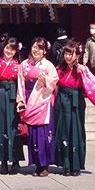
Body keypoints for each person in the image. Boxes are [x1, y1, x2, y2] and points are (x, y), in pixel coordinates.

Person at [17, 37, 58, 177]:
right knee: (33, 133)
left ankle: (45, 165)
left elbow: (54, 82)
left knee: (44, 133)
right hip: (30, 98)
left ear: (45, 51)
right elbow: (20, 83)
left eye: (40, 48)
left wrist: (45, 80)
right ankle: (36, 164)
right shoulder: (24, 65)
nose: (36, 50)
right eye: (34, 47)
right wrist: (21, 101)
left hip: (43, 101)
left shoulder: (49, 66)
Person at [0, 37, 24, 175]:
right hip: (0, 93)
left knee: (15, 126)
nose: (9, 51)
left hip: (14, 94)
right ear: (3, 47)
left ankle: (16, 161)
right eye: (7, 48)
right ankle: (3, 161)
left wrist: (21, 101)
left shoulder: (19, 65)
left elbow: (21, 84)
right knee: (1, 126)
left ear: (16, 51)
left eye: (13, 49)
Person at [54, 41, 87, 176]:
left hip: (76, 99)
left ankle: (76, 164)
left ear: (77, 55)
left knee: (76, 130)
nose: (68, 57)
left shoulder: (81, 69)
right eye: (66, 53)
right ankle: (66, 164)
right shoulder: (60, 69)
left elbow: (90, 84)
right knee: (63, 131)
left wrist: (83, 72)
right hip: (62, 99)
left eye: (71, 54)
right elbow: (54, 85)